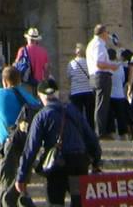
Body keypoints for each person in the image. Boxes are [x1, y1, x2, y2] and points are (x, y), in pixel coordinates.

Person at [16, 78, 102, 207]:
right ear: (57, 93)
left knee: (55, 201)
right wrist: (96, 161)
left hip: (58, 165)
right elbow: (91, 137)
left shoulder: (42, 116)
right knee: (79, 201)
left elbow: (31, 148)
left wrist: (22, 176)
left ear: (40, 95)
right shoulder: (73, 110)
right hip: (79, 162)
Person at [0, 66, 43, 207]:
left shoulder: (0, 94)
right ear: (20, 80)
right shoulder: (28, 95)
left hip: (9, 142)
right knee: (21, 184)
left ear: (4, 81)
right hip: (27, 143)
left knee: (7, 181)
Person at [86, 23, 116, 136]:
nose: (108, 35)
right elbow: (99, 63)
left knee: (100, 105)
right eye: (107, 32)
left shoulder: (91, 44)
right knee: (101, 106)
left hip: (94, 77)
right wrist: (112, 66)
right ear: (103, 33)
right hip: (101, 76)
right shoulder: (99, 44)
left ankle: (101, 131)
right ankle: (100, 132)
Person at [66, 42, 94, 128]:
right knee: (90, 115)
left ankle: (79, 131)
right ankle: (90, 131)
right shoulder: (88, 62)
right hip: (88, 90)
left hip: (76, 91)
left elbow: (68, 77)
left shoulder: (71, 63)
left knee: (78, 114)